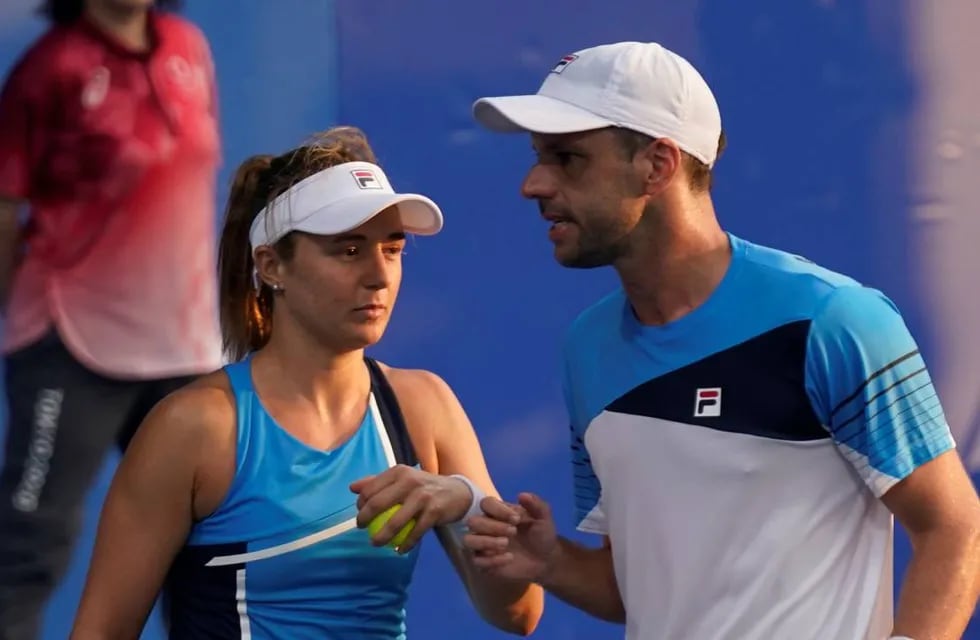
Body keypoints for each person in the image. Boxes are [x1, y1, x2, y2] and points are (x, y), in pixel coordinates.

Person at [462, 41, 980, 640]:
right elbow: (637, 587)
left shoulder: (833, 318)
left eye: (568, 159)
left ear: (658, 165)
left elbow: (954, 529)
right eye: (537, 157)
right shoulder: (587, 347)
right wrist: (552, 562)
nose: (533, 184)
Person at [69, 126, 545, 639]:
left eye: (391, 249)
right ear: (272, 265)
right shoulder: (195, 427)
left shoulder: (423, 405)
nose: (379, 276)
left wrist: (467, 504)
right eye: (348, 250)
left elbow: (518, 614)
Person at [0, 0, 222, 636]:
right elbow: (5, 208)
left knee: (204, 552)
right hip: (69, 344)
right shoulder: (51, 69)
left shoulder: (188, 45)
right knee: (29, 547)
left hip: (184, 348)